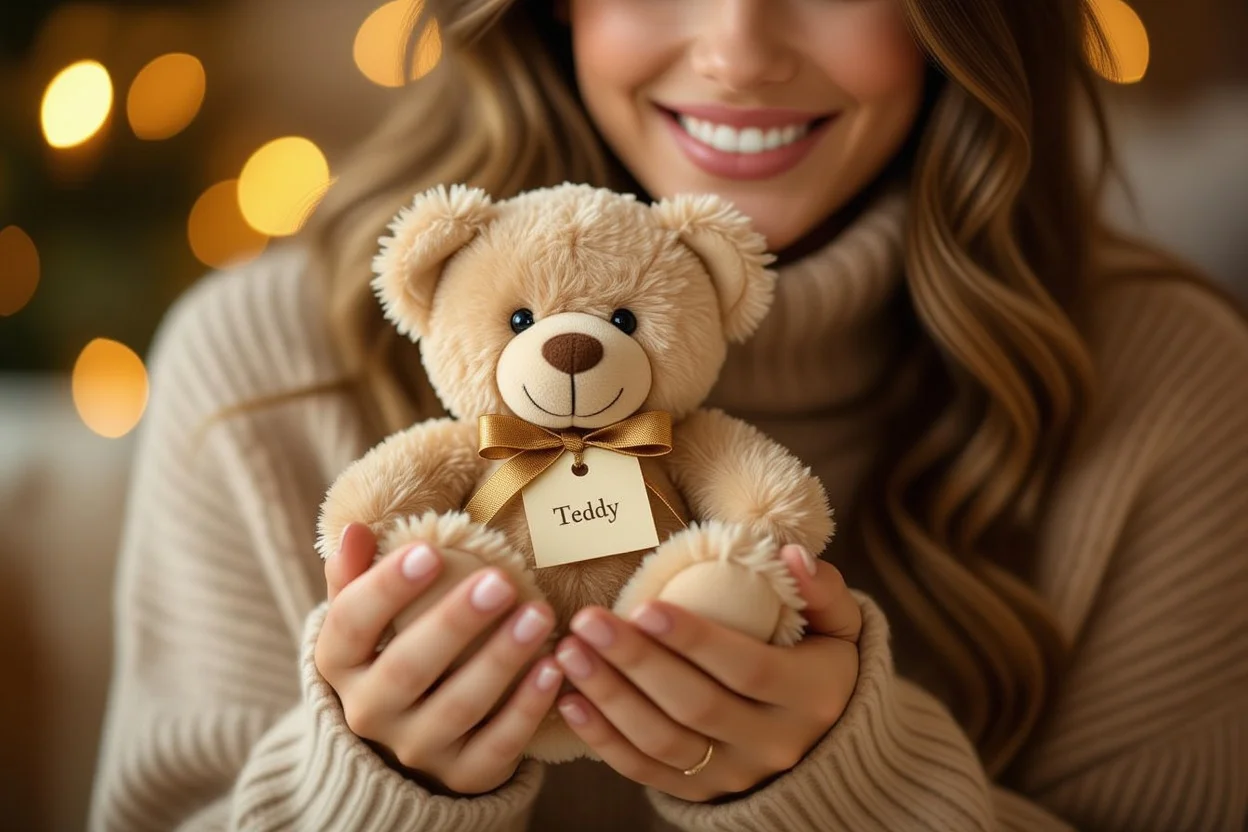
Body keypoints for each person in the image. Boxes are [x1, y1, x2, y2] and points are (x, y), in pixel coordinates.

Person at [88, 0, 1248, 829]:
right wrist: (371, 798)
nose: (739, 47)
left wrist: (858, 797)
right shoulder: (263, 365)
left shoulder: (1171, 384)